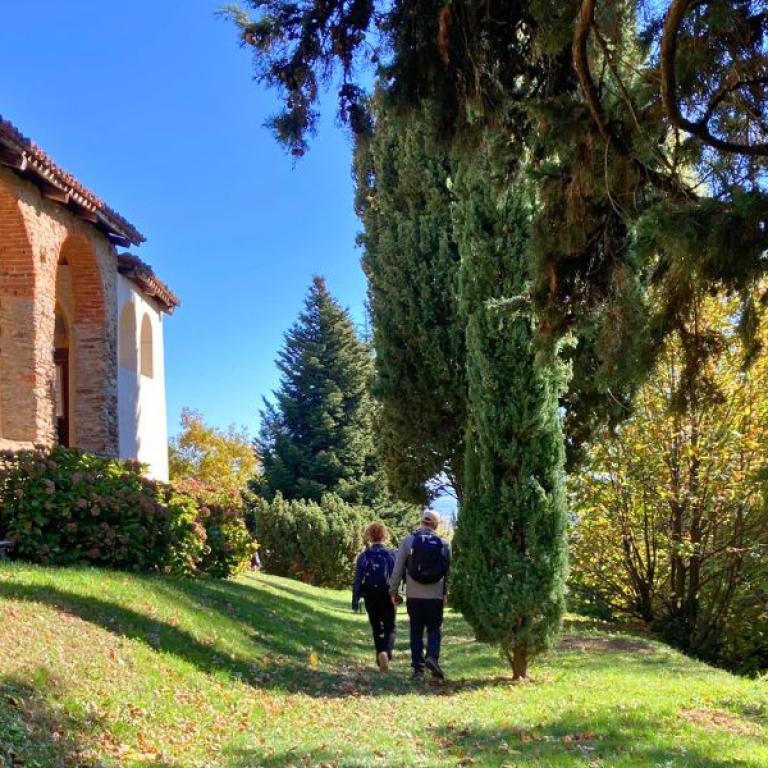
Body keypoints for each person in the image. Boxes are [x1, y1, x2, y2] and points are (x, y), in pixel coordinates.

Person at [389, 509, 451, 679]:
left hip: (414, 595)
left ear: (421, 522)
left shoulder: (409, 541)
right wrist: (445, 592)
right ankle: (432, 656)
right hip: (435, 595)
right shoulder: (444, 544)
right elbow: (447, 571)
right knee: (434, 628)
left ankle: (418, 669)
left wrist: (393, 591)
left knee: (415, 630)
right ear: (436, 525)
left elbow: (398, 568)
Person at [352, 522, 397, 671]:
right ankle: (386, 652)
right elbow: (395, 576)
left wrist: (355, 598)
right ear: (385, 535)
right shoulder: (390, 555)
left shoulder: (364, 556)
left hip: (370, 595)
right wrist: (397, 593)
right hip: (387, 594)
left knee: (376, 627)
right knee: (390, 626)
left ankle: (379, 655)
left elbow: (358, 579)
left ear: (369, 536)